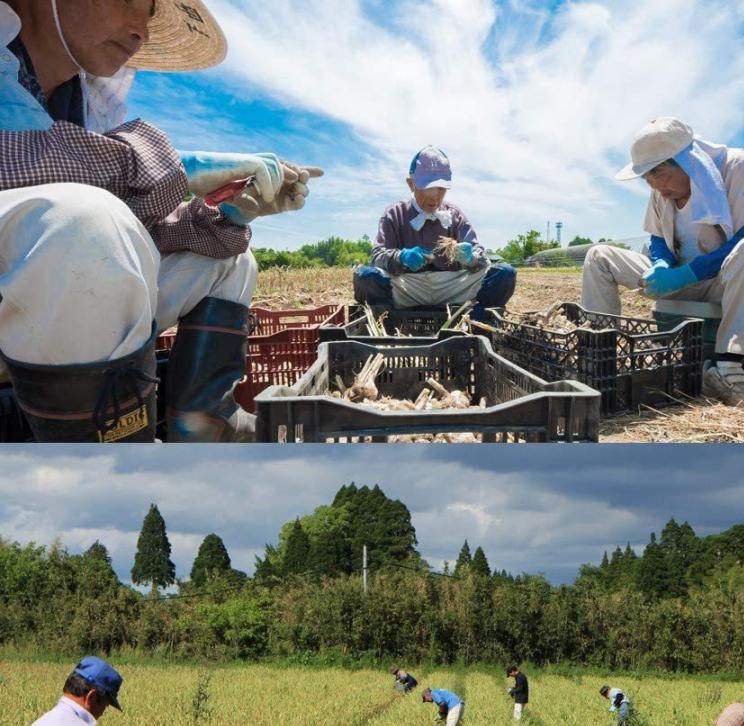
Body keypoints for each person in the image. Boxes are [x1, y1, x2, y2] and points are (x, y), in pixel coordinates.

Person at [0, 0, 321, 442]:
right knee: (84, 222)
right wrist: (176, 166)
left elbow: (134, 229)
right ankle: (109, 460)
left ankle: (204, 428)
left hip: (50, 304)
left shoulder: (84, 105)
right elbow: (34, 175)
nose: (141, 30)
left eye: (149, 13)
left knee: (228, 261)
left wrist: (225, 211)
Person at [582, 117, 744, 412]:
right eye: (647, 179)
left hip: (735, 280)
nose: (655, 186)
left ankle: (728, 368)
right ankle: (599, 358)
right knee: (599, 256)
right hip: (686, 279)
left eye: (658, 173)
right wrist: (660, 263)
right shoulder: (663, 192)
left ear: (688, 161)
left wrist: (688, 273)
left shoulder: (738, 167)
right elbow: (658, 236)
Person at [353, 146, 516, 321]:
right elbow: (377, 256)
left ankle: (476, 322)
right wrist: (401, 258)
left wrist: (471, 258)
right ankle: (390, 323)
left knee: (505, 274)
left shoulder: (455, 215)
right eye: (427, 187)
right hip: (408, 285)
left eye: (441, 188)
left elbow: (481, 256)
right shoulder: (395, 214)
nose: (434, 197)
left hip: (453, 285)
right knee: (366, 278)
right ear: (411, 184)